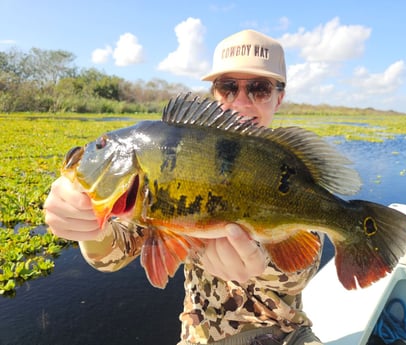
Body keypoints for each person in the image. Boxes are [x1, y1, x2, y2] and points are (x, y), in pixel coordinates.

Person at [44, 29, 324, 345]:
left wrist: (258, 260)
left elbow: (300, 269)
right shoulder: (157, 166)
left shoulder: (288, 169)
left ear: (279, 97)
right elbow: (115, 252)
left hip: (288, 335)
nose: (241, 102)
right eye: (228, 87)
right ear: (214, 93)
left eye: (260, 89)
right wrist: (88, 225)